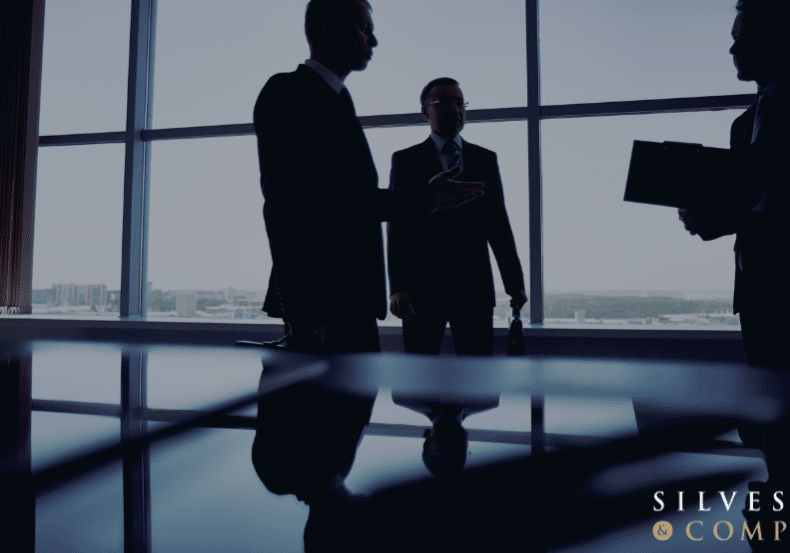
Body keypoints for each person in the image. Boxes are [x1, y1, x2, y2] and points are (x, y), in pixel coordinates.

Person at [254, 0, 484, 354]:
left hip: (349, 301)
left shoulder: (336, 100)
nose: (373, 42)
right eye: (364, 29)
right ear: (330, 28)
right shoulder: (289, 92)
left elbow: (347, 199)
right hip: (323, 309)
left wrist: (425, 197)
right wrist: (304, 313)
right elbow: (285, 208)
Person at [678, 0, 789, 521]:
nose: (732, 48)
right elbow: (751, 206)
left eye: (742, 38)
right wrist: (712, 219)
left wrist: (729, 214)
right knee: (772, 421)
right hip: (757, 293)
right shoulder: (743, 125)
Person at [387, 78, 527, 355]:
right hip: (421, 289)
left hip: (474, 287)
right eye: (444, 102)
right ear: (425, 111)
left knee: (478, 379)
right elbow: (397, 224)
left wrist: (515, 283)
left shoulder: (485, 159)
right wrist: (399, 287)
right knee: (419, 378)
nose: (455, 108)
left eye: (459, 102)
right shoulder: (406, 159)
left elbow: (498, 223)